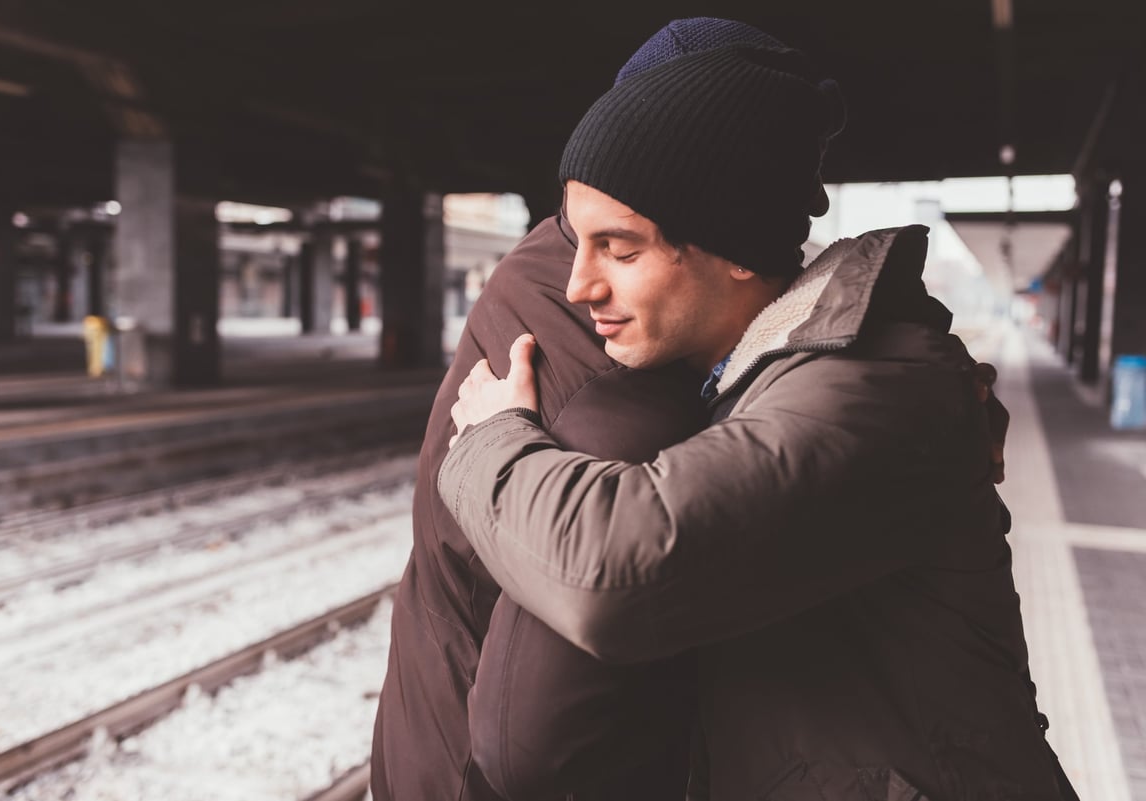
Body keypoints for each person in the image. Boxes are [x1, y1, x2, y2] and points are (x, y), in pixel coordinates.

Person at [441, 18, 1073, 801]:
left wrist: (490, 441)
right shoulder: (761, 383)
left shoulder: (870, 388)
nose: (579, 285)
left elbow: (615, 570)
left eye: (622, 248)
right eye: (578, 243)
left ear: (736, 248)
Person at [370, 194, 710, 797]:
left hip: (430, 741)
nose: (584, 283)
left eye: (618, 249)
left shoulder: (537, 271)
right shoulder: (618, 400)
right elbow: (533, 741)